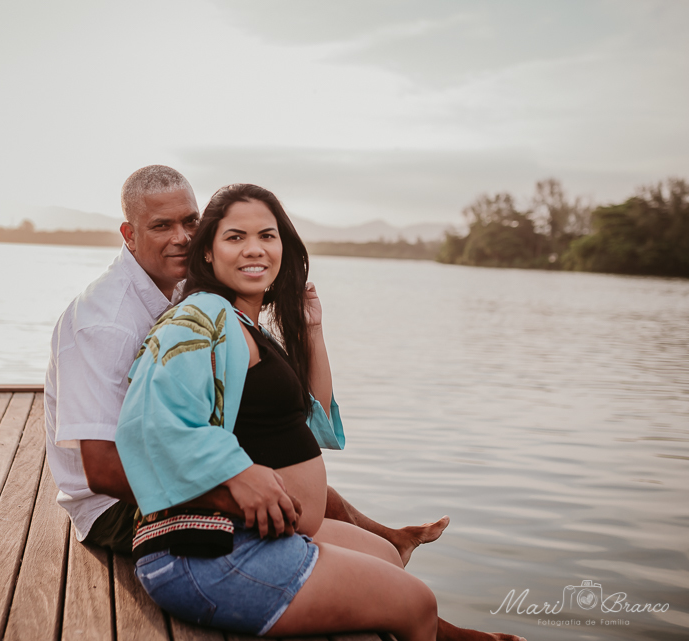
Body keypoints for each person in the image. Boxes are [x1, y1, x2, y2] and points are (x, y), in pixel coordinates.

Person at [115, 183, 525, 640]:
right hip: (204, 553)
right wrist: (236, 471)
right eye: (235, 237)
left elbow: (312, 422)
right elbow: (146, 422)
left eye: (267, 236)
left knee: (387, 557)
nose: (254, 249)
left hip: (262, 532)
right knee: (417, 602)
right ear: (207, 252)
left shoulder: (243, 321)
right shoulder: (200, 317)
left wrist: (311, 329)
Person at [44, 165, 446, 560]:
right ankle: (396, 584)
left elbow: (301, 412)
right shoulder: (104, 322)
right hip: (114, 508)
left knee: (310, 492)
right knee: (288, 504)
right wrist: (234, 487)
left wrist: (309, 328)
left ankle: (391, 544)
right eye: (161, 226)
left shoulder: (192, 293)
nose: (182, 238)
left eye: (190, 222)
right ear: (129, 235)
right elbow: (102, 471)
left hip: (169, 461)